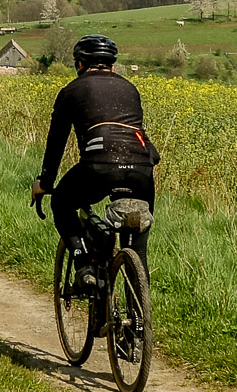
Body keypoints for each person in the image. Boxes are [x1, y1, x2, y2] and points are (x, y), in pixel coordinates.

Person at [29, 34, 158, 288]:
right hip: (142, 170)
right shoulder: (130, 88)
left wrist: (45, 181)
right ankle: (139, 318)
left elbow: (56, 142)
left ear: (79, 64)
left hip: (99, 167)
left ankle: (84, 264)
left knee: (63, 203)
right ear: (112, 64)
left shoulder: (72, 90)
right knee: (138, 246)